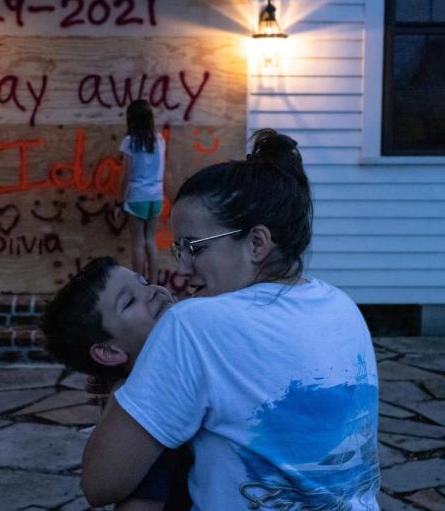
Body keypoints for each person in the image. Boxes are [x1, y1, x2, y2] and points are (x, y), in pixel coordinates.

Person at [82, 130, 381, 510]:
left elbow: (99, 484)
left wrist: (123, 388)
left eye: (193, 248)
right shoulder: (342, 305)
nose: (183, 269)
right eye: (178, 250)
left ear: (256, 243)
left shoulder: (194, 324)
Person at [41, 257, 192, 511]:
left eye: (144, 282)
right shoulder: (149, 404)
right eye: (129, 301)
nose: (153, 292)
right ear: (109, 352)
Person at [118, 99, 166, 284]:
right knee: (151, 242)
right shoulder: (159, 139)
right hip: (156, 196)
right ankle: (154, 285)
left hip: (137, 196)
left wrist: (119, 201)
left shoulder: (130, 141)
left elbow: (126, 174)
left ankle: (138, 285)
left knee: (138, 243)